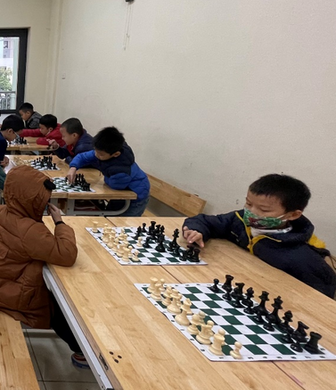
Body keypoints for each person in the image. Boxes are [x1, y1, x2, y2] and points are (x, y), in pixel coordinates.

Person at [0, 165, 87, 368]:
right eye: (42, 200)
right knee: (59, 306)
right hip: (8, 295)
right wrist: (60, 223)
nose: (44, 204)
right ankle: (81, 350)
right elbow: (67, 254)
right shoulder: (30, 230)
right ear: (31, 200)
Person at [183, 174, 336, 297]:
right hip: (232, 279)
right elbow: (206, 221)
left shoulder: (304, 257)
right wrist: (196, 230)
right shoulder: (240, 220)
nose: (252, 213)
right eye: (249, 204)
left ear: (293, 214)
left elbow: (322, 296)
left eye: (264, 210)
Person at [66, 126, 150, 217]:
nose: (96, 155)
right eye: (96, 151)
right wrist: (73, 167)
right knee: (109, 216)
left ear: (116, 154)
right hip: (120, 196)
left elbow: (114, 185)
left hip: (136, 198)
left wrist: (105, 175)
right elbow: (82, 157)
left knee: (121, 223)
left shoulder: (122, 170)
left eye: (100, 154)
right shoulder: (104, 151)